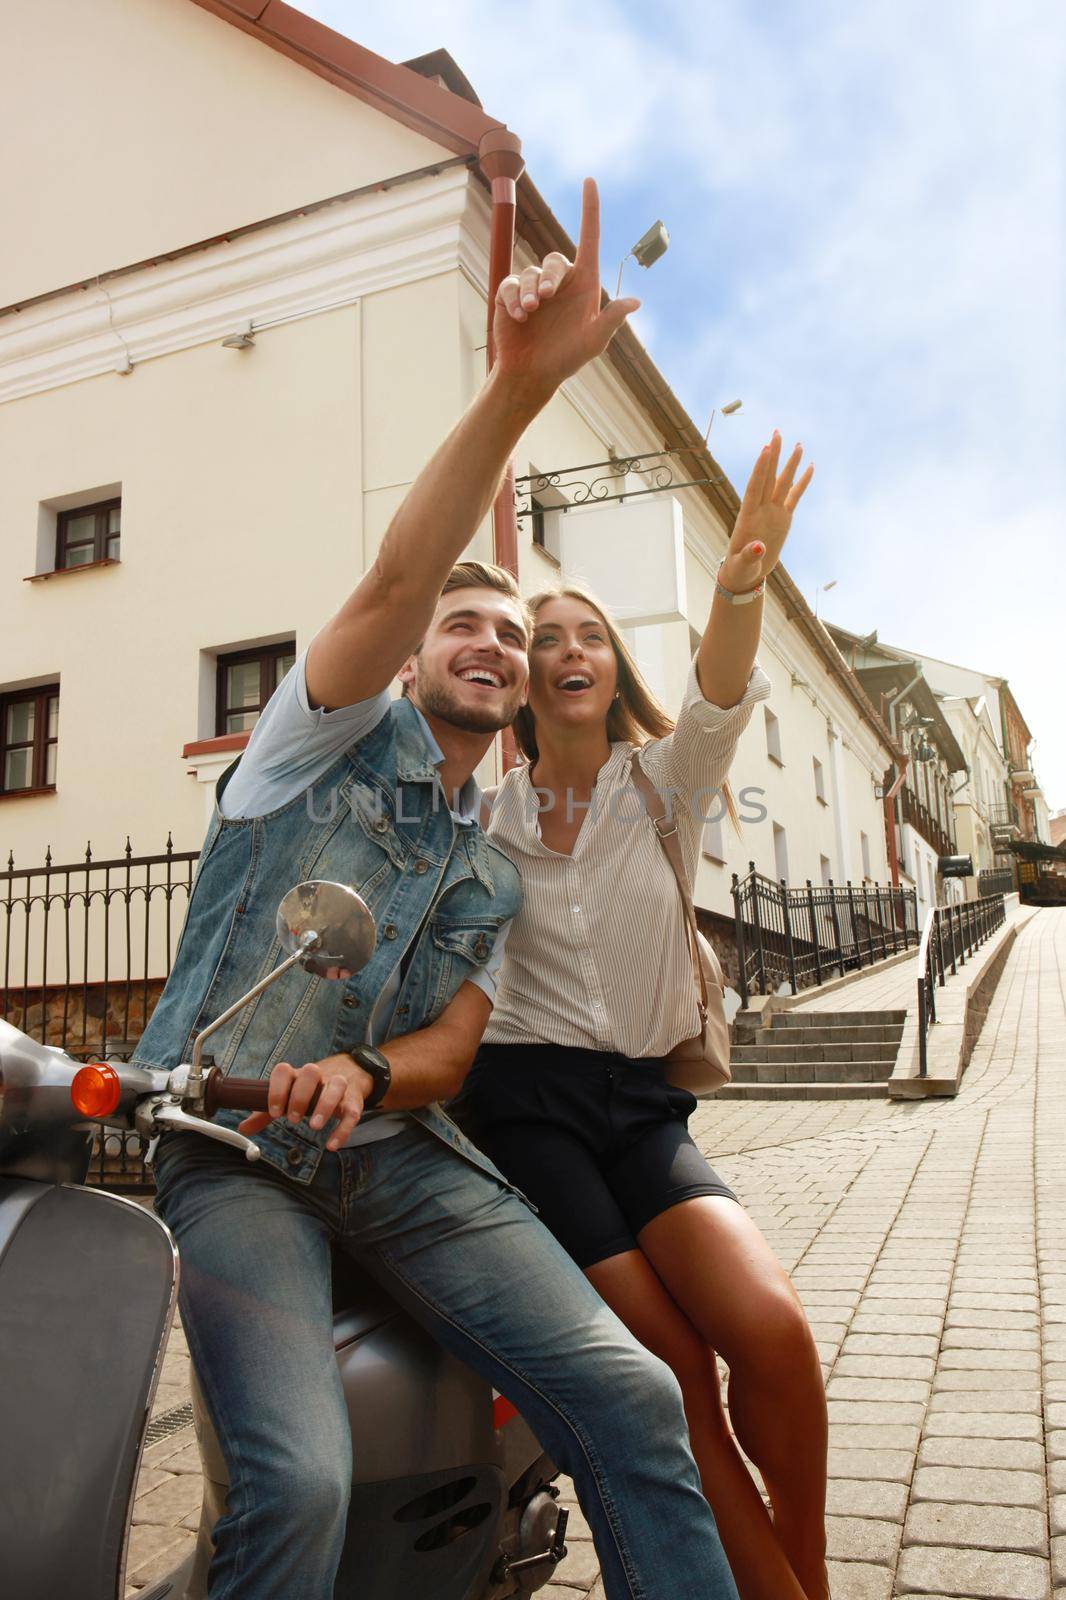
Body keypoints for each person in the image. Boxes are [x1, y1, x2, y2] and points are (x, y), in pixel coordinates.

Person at [134, 179, 741, 1600]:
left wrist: (366, 1068)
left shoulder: (488, 852)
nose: (489, 644)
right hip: (229, 1155)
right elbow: (404, 566)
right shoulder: (315, 745)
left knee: (638, 1396)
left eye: (509, 636)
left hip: (401, 1155)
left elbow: (452, 1048)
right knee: (296, 1480)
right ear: (412, 662)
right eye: (461, 628)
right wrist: (516, 396)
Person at [455, 432, 830, 1600]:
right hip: (527, 1111)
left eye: (590, 636)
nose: (569, 649)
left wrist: (736, 586)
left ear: (612, 669)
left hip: (639, 1102)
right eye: (547, 638)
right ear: (526, 680)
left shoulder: (662, 784)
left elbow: (720, 687)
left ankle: (802, 1570)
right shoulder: (481, 821)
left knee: (769, 1334)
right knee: (671, 1370)